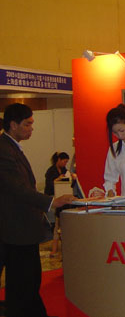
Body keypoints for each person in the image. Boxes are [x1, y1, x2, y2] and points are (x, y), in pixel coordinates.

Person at [0, 103, 75, 317]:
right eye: (27, 124)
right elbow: (17, 189)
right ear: (13, 125)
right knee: (23, 282)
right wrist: (52, 202)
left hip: (22, 229)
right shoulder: (4, 150)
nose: (31, 128)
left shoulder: (12, 147)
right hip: (16, 230)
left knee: (27, 281)